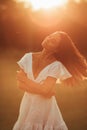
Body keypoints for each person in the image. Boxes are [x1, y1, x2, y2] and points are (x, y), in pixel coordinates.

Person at [13, 31, 87, 130]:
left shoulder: (56, 65)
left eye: (53, 41)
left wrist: (25, 80)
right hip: (27, 105)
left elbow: (44, 90)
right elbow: (20, 86)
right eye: (49, 36)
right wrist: (43, 90)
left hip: (45, 109)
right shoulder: (27, 57)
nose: (48, 39)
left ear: (57, 49)